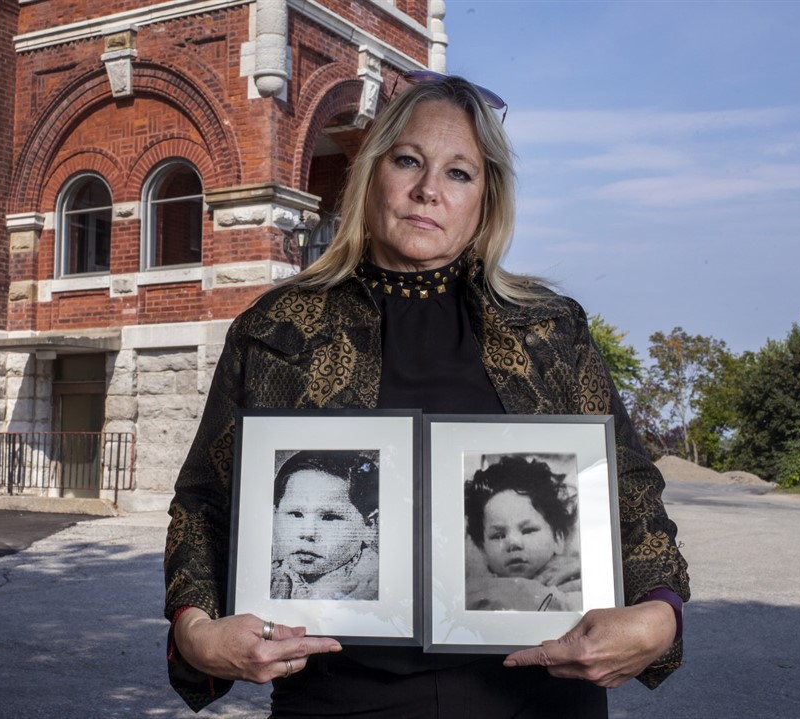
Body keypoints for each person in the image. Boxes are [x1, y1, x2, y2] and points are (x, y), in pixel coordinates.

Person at [164, 71, 689, 717]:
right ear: (372, 172)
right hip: (338, 697)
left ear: (487, 198)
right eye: (409, 160)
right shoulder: (276, 327)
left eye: (459, 173)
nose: (428, 190)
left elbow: (628, 488)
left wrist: (660, 616)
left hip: (538, 695)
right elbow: (205, 502)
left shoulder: (552, 329)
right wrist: (195, 631)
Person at [464, 455, 581, 612]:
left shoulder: (575, 590)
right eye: (498, 536)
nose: (513, 543)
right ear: (482, 550)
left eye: (528, 530)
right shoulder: (472, 596)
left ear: (558, 539)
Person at [269, 450, 380, 601]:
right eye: (296, 514)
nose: (308, 533)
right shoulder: (270, 579)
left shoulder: (374, 591)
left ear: (368, 525)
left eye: (329, 517)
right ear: (275, 514)